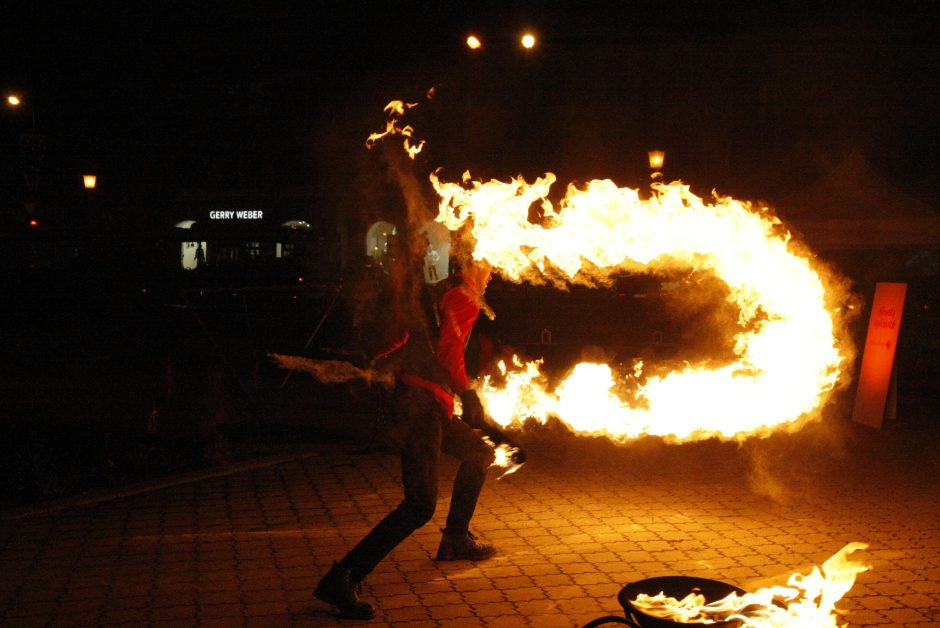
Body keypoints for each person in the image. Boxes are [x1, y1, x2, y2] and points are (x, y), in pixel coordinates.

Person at [314, 256, 520, 620]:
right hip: (419, 405)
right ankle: (343, 576)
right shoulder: (463, 295)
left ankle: (456, 538)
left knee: (478, 453)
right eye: (488, 267)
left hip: (429, 402)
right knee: (419, 506)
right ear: (474, 265)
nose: (491, 275)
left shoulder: (441, 291)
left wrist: (474, 414)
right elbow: (449, 352)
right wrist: (468, 394)